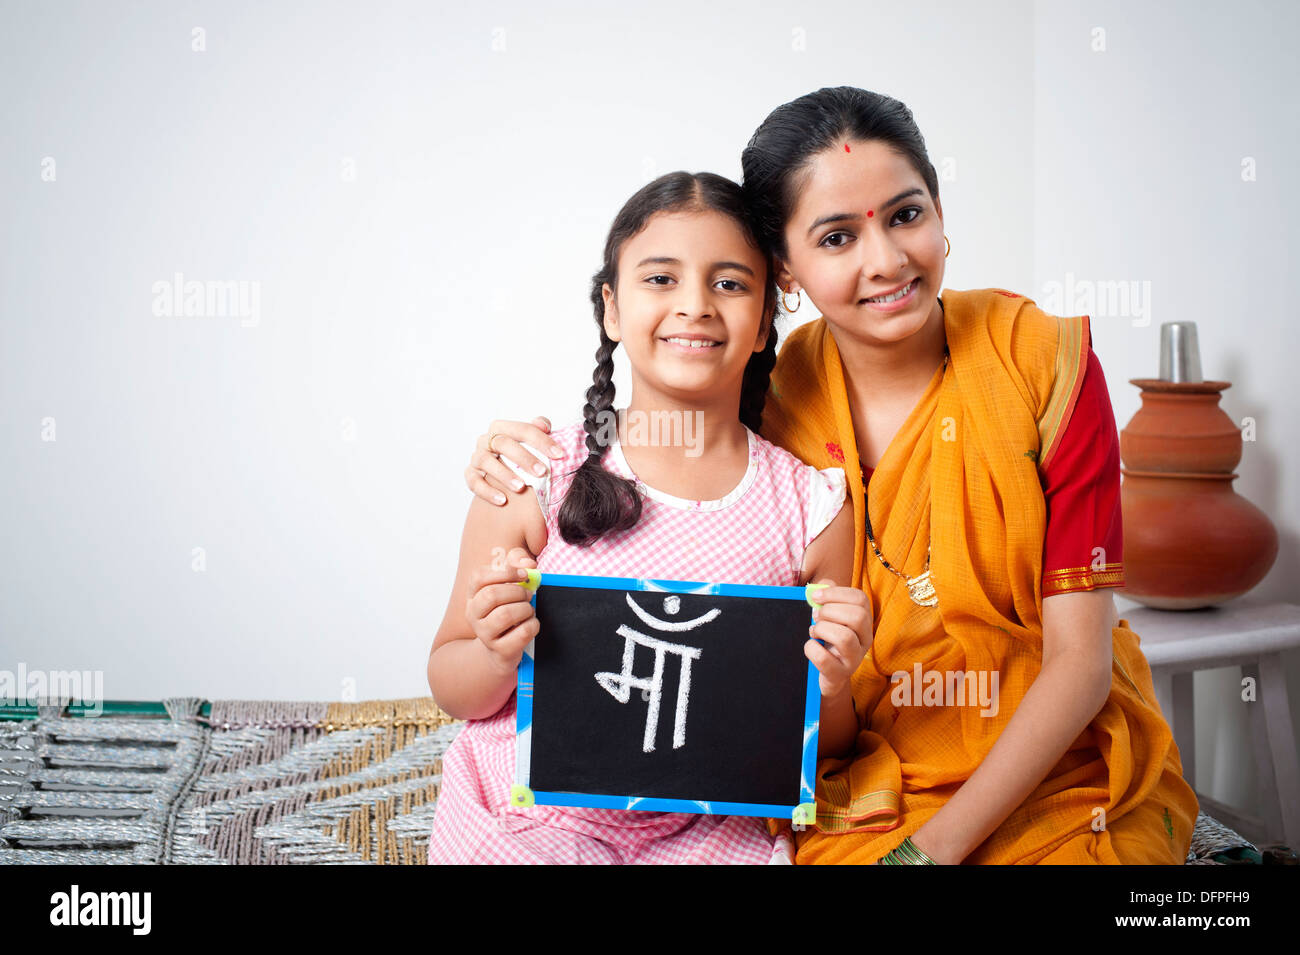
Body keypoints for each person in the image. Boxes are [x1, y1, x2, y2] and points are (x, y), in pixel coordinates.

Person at [461, 87, 1199, 865]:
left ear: (941, 214)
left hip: (1054, 762)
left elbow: (1079, 662)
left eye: (907, 215)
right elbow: (662, 460)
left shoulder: (1041, 363)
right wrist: (518, 454)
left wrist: (928, 854)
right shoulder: (772, 398)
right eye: (838, 236)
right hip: (856, 770)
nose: (886, 261)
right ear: (786, 269)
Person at [426, 170, 869, 865]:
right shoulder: (534, 474)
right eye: (660, 279)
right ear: (610, 307)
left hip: (710, 829)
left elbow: (826, 740)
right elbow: (452, 683)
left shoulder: (811, 508)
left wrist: (835, 680)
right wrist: (494, 649)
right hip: (539, 817)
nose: (694, 305)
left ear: (762, 324)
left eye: (729, 283)